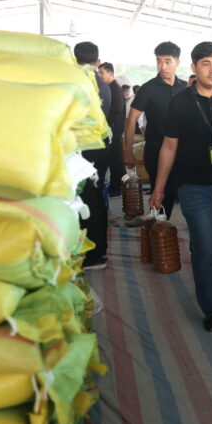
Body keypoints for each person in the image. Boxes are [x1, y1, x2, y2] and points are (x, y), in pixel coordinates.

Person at [149, 41, 212, 332]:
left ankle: (203, 271)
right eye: (206, 64)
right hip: (193, 186)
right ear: (194, 68)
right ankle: (211, 310)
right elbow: (169, 146)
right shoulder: (179, 102)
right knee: (204, 247)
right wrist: (159, 188)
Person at [124, 42, 186, 219]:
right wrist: (128, 151)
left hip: (182, 149)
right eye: (159, 61)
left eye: (167, 61)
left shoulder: (186, 88)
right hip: (155, 149)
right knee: (161, 193)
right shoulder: (148, 88)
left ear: (177, 62)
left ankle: (163, 225)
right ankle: (157, 228)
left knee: (181, 192)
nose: (162, 66)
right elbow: (131, 120)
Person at [75, 42, 111, 270]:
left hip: (87, 151)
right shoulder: (103, 85)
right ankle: (98, 251)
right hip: (100, 149)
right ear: (98, 62)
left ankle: (94, 255)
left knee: (88, 200)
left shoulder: (81, 85)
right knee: (95, 198)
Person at [99, 62, 126, 196]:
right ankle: (115, 187)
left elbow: (117, 108)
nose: (100, 76)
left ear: (111, 73)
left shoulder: (115, 88)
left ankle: (118, 188)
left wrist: (101, 110)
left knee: (116, 159)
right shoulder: (108, 87)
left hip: (115, 129)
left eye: (102, 73)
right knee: (112, 158)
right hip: (111, 128)